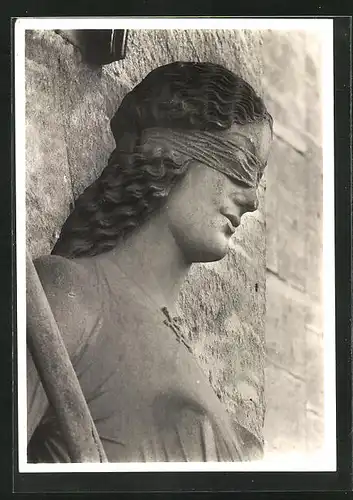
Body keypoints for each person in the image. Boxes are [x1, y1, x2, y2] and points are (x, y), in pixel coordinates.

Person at [27, 61, 273, 463]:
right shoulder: (68, 299)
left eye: (257, 178)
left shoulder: (189, 361)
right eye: (243, 163)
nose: (251, 199)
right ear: (171, 148)